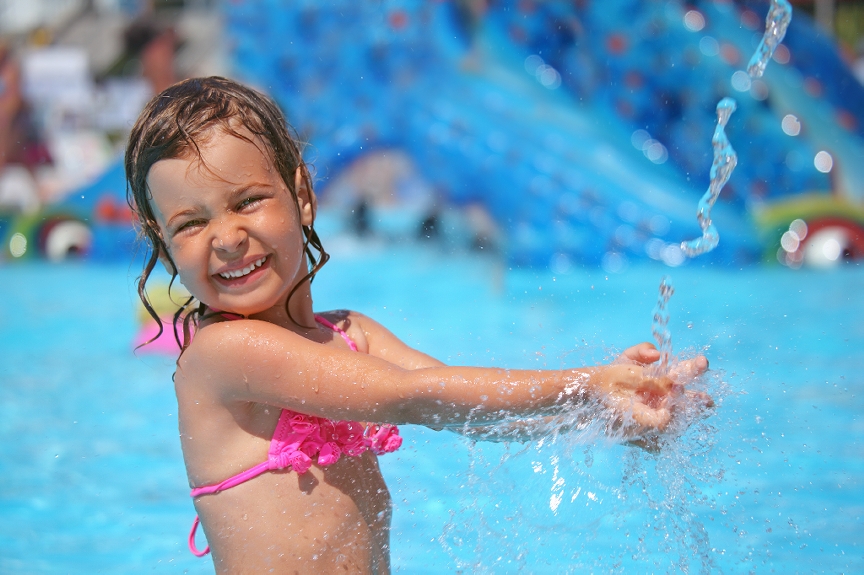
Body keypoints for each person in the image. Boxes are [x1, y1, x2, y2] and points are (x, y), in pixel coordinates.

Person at [125, 76, 710, 574]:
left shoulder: (353, 333)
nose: (226, 238)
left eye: (247, 200)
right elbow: (408, 395)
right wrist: (587, 379)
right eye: (190, 224)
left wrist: (613, 416)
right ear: (164, 246)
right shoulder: (224, 355)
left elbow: (468, 408)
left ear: (302, 195)